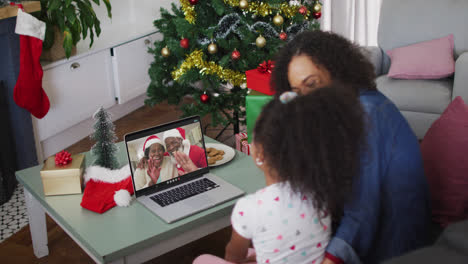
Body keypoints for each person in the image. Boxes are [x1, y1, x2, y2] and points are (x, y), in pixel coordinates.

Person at [271, 30, 431, 264]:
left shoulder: (366, 115)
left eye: (312, 84)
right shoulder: (343, 106)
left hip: (392, 243)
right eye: (298, 92)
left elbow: (363, 212)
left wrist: (330, 259)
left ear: (336, 72)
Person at [193, 85, 366, 264]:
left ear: (259, 153)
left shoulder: (249, 207)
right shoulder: (322, 194)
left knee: (202, 259)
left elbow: (234, 256)